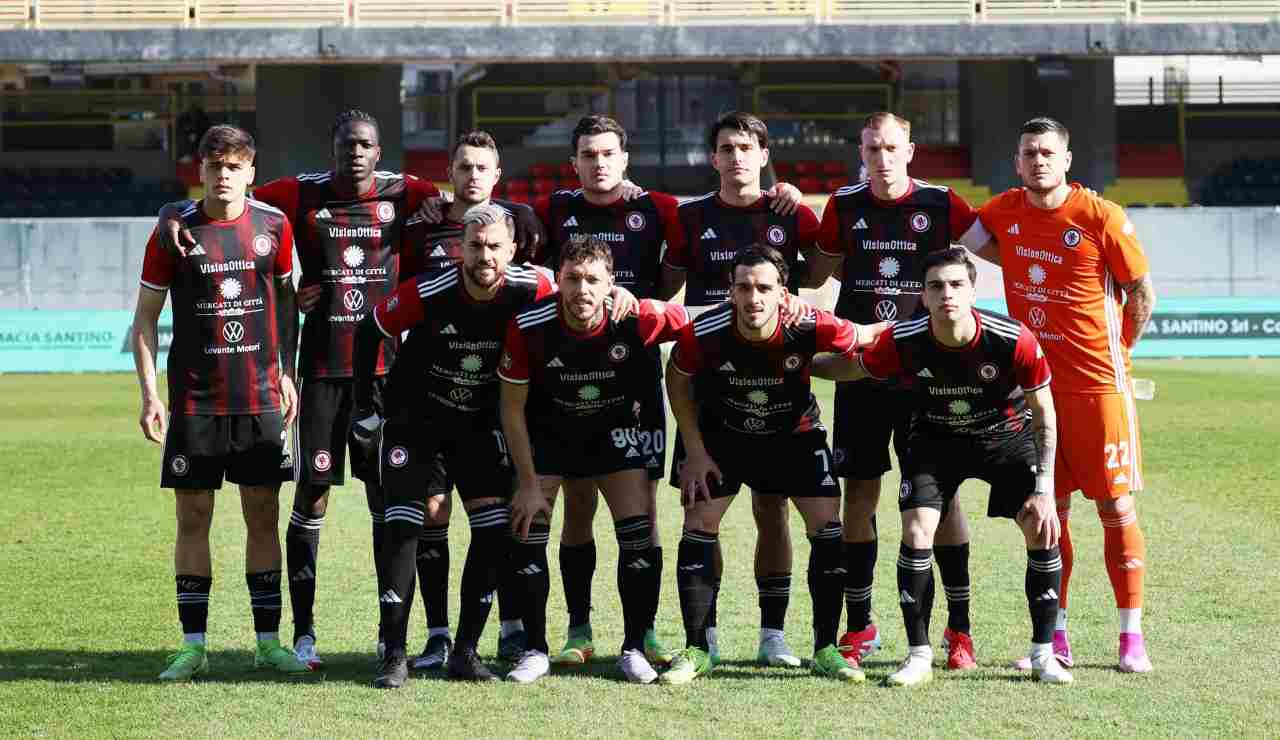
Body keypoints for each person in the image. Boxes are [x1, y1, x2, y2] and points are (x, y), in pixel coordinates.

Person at [156, 110, 443, 668]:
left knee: (391, 501)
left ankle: (396, 634)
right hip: (322, 374)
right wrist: (171, 208)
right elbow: (228, 195)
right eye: (345, 146)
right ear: (331, 150)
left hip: (388, 375)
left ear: (379, 152)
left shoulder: (408, 193)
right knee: (311, 496)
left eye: (365, 145)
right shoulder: (299, 193)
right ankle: (303, 633)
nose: (355, 154)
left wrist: (521, 208)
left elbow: (463, 197)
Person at [351, 203, 635, 688]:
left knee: (492, 532)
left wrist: (620, 293)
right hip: (414, 421)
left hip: (479, 424)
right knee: (403, 528)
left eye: (495, 246)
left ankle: (464, 652)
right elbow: (370, 329)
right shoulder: (430, 290)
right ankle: (394, 654)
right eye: (476, 246)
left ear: (512, 249)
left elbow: (582, 287)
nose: (485, 255)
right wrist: (366, 407)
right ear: (461, 247)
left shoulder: (534, 286)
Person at [813, 247, 1072, 686]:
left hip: (1004, 439)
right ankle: (918, 656)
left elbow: (1045, 414)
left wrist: (1044, 489)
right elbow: (853, 368)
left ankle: (1044, 654)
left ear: (973, 290)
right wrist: (791, 361)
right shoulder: (905, 339)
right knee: (916, 532)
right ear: (924, 295)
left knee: (1040, 524)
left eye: (956, 285)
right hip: (934, 441)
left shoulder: (1013, 338)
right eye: (936, 287)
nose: (946, 294)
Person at [959, 117, 1157, 673]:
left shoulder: (1101, 216)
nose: (1038, 160)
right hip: (1035, 390)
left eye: (1048, 152)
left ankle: (1130, 637)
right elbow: (972, 242)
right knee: (1051, 511)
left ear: (1067, 161)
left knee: (1115, 507)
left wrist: (1120, 349)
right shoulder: (1003, 212)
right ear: (1017, 162)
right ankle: (1057, 635)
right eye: (1029, 153)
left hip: (1098, 388)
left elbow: (1142, 291)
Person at [806, 112, 987, 670]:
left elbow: (997, 245)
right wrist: (788, 203)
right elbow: (814, 275)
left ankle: (959, 629)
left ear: (910, 149)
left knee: (943, 498)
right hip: (862, 373)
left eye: (891, 148)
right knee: (857, 498)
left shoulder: (941, 203)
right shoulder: (843, 205)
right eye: (871, 149)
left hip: (926, 378)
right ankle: (861, 627)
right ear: (860, 152)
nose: (881, 158)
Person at [132, 124, 310, 680]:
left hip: (257, 399)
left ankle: (267, 642)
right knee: (194, 518)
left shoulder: (273, 227)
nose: (224, 175)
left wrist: (286, 372)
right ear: (200, 172)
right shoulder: (173, 231)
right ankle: (193, 645)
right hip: (195, 403)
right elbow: (143, 322)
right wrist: (149, 395)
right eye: (215, 166)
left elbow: (285, 305)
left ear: (251, 172)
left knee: (263, 515)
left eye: (235, 166)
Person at [661, 245, 882, 685]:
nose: (753, 297)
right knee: (699, 521)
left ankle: (824, 649)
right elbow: (677, 376)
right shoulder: (704, 332)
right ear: (731, 291)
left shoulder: (810, 324)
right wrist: (695, 450)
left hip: (792, 436)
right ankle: (699, 647)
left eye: (764, 288)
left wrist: (925, 327)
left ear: (784, 293)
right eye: (743, 287)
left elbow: (868, 336)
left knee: (827, 527)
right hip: (721, 437)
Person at [658, 111, 820, 667]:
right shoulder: (690, 217)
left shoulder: (789, 212)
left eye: (746, 147)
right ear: (713, 158)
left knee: (772, 513)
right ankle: (702, 640)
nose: (736, 157)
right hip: (711, 391)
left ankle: (772, 636)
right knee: (701, 515)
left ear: (763, 154)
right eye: (726, 148)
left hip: (780, 384)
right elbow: (668, 289)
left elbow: (818, 277)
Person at [498, 237, 691, 683]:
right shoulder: (529, 325)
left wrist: (648, 303)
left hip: (615, 433)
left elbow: (688, 324)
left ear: (610, 284)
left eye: (592, 280)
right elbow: (511, 407)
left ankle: (634, 646)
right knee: (528, 528)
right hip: (551, 434)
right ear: (557, 280)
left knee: (638, 531)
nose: (581, 289)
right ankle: (534, 648)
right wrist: (527, 483)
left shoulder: (635, 317)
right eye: (572, 278)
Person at [398, 130, 546, 670]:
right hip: (434, 400)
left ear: (497, 173)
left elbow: (550, 291)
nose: (473, 175)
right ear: (451, 172)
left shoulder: (524, 222)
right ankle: (438, 635)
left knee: (498, 519)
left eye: (483, 166)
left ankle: (507, 629)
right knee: (432, 514)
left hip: (497, 407)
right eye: (464, 166)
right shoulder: (421, 224)